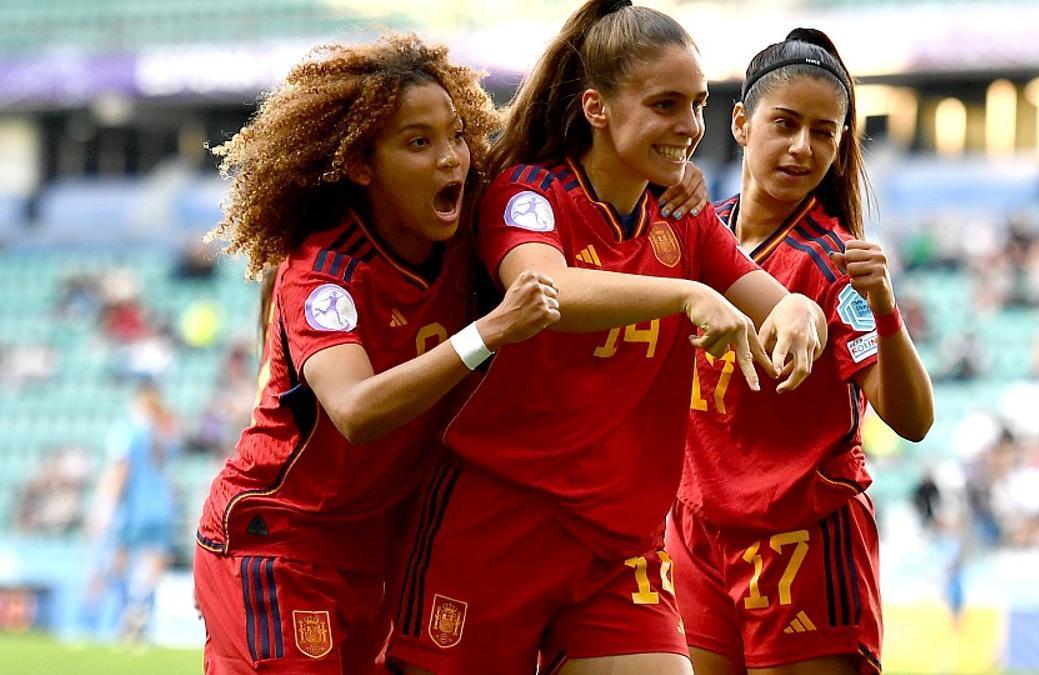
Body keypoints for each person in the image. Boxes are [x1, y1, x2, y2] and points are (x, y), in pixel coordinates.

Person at [385, 3, 828, 674]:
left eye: (698, 104)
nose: (688, 127)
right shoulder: (528, 195)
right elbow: (547, 292)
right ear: (596, 107)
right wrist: (687, 294)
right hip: (496, 526)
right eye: (665, 104)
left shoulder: (686, 218)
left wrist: (801, 311)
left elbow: (775, 305)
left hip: (621, 547)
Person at [193, 34, 561, 674]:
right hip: (277, 545)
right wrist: (489, 332)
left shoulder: (470, 232)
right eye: (419, 143)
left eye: (456, 135)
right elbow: (356, 411)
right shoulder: (324, 273)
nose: (452, 159)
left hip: (380, 555)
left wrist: (664, 178)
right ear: (362, 164)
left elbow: (562, 172)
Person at [668, 28, 935, 675]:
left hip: (802, 547)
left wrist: (886, 309)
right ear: (740, 121)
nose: (802, 146)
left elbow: (915, 421)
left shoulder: (835, 263)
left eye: (825, 131)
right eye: (785, 123)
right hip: (695, 534)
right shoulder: (691, 234)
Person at [83, 381, 180, 644]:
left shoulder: (127, 431)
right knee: (154, 559)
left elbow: (118, 471)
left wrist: (103, 507)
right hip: (162, 507)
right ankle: (138, 608)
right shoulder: (165, 432)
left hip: (134, 506)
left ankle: (119, 615)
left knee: (119, 559)